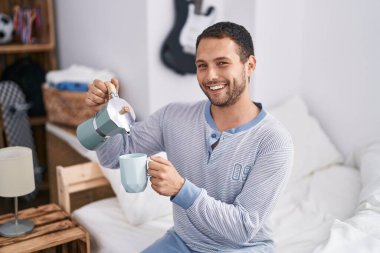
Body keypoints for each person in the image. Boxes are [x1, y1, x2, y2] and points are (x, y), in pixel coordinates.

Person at [86, 22, 294, 253]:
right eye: (202, 66)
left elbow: (243, 228)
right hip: (183, 243)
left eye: (222, 63)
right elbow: (114, 157)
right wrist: (105, 115)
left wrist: (181, 190)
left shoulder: (274, 141)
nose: (211, 76)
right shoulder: (173, 117)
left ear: (250, 65)